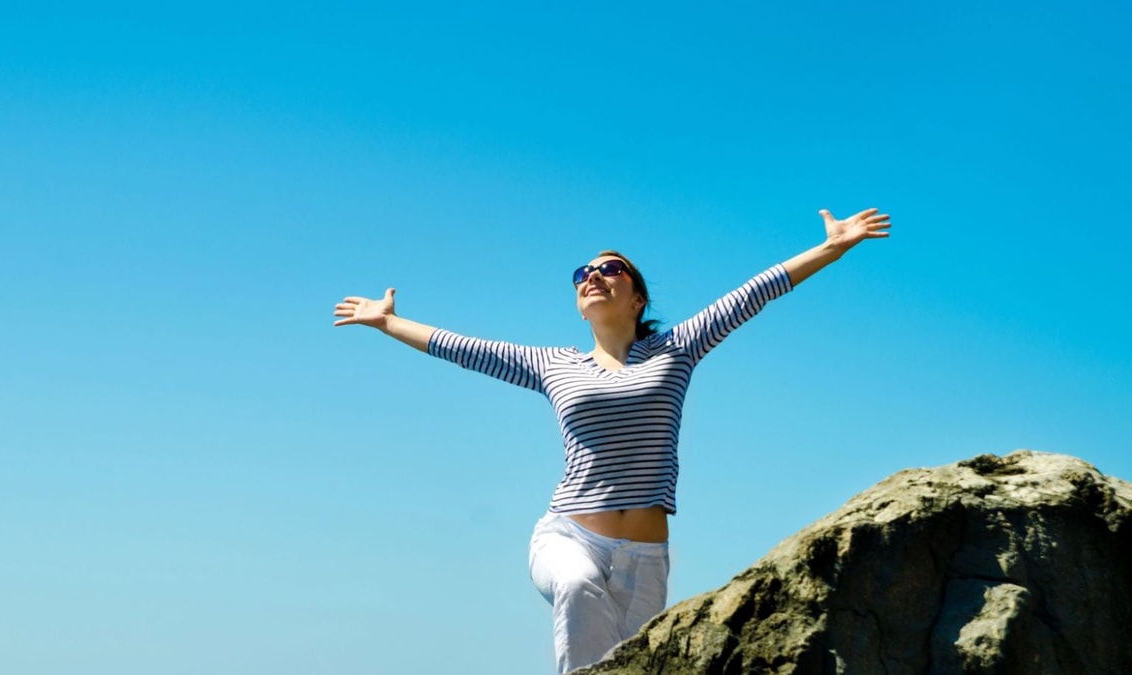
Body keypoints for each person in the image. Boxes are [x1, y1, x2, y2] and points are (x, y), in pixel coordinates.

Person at [334, 207, 891, 673]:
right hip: (569, 536)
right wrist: (388, 322)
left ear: (637, 299)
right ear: (579, 301)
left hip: (646, 559)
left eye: (611, 269)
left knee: (634, 664)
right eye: (583, 273)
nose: (593, 275)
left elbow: (755, 293)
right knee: (576, 587)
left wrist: (833, 248)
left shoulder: (677, 348)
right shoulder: (553, 364)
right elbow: (463, 347)